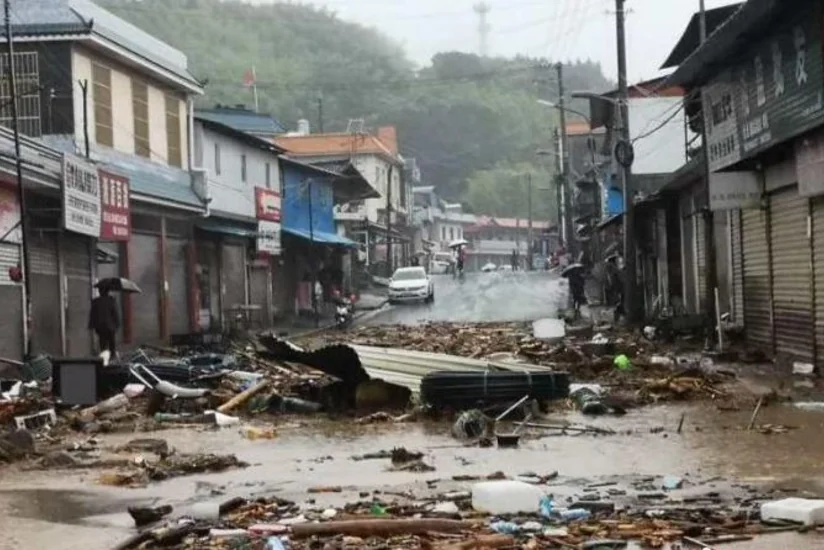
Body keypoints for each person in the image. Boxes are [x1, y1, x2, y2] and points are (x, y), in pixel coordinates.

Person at [89, 288, 119, 356]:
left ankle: (104, 358)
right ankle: (112, 357)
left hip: (100, 326)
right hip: (110, 326)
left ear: (100, 292)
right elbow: (115, 314)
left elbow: (93, 314)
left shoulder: (96, 301)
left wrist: (92, 325)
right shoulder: (111, 301)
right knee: (112, 343)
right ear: (107, 292)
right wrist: (117, 324)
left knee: (103, 343)